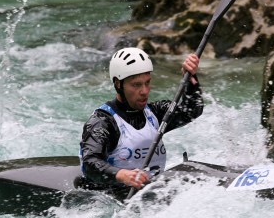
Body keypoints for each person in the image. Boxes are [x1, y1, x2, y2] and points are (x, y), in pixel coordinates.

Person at [79, 47, 203, 199]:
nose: (144, 91)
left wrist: (190, 81)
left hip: (152, 194)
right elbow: (90, 163)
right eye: (136, 85)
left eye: (147, 83)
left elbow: (192, 110)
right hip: (116, 199)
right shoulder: (103, 122)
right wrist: (122, 174)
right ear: (118, 84)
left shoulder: (155, 113)